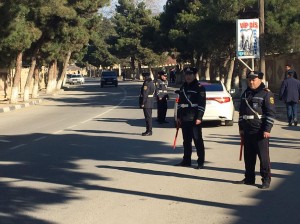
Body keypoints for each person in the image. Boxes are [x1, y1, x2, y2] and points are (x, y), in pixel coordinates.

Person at [238, 71, 276, 189]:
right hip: (248, 129)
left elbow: (271, 113)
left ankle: (266, 179)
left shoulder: (266, 94)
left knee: (263, 158)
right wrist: (241, 128)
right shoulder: (246, 93)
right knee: (248, 157)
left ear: (260, 80)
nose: (251, 81)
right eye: (249, 79)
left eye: (254, 79)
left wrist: (267, 129)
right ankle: (249, 178)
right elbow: (241, 112)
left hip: (260, 130)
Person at [175, 67, 206, 169]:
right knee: (186, 141)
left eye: (190, 74)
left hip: (194, 118)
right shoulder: (183, 87)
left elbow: (202, 104)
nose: (188, 76)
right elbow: (180, 103)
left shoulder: (199, 87)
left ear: (194, 75)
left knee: (197, 141)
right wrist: (179, 116)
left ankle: (200, 162)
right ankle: (186, 160)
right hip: (184, 118)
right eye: (186, 74)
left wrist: (199, 117)